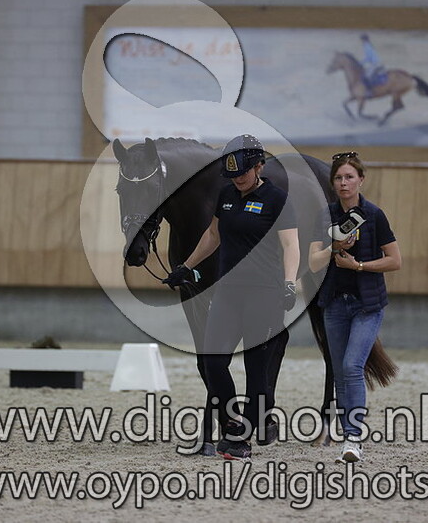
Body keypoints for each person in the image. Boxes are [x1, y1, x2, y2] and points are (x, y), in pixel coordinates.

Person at [164, 134, 299, 460]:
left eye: (243, 173)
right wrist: (186, 266)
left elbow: (290, 245)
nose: (238, 179)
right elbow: (213, 235)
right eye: (233, 174)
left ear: (259, 166)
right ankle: (232, 421)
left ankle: (241, 440)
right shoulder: (226, 195)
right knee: (212, 361)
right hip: (227, 292)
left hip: (264, 294)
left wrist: (289, 283)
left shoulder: (277, 199)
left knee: (256, 369)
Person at [308, 151, 401, 463]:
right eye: (338, 178)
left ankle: (353, 437)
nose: (343, 183)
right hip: (334, 303)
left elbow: (395, 260)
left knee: (351, 366)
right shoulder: (325, 216)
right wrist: (334, 248)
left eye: (349, 177)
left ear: (361, 179)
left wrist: (359, 265)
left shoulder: (375, 215)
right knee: (339, 371)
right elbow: (313, 261)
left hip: (367, 305)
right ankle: (349, 434)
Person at [360, 33, 385, 98]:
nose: (361, 41)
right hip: (375, 63)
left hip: (375, 64)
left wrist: (360, 62)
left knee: (367, 76)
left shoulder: (367, 46)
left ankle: (369, 92)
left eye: (362, 39)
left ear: (364, 40)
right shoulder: (368, 45)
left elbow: (368, 58)